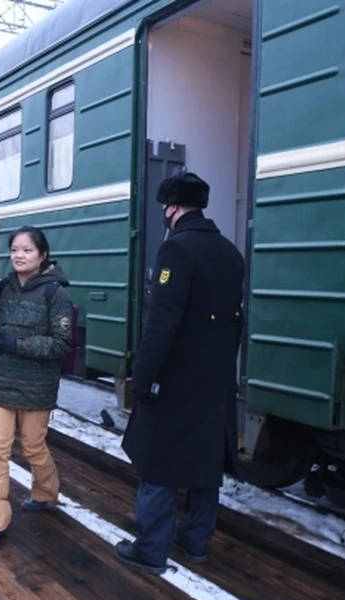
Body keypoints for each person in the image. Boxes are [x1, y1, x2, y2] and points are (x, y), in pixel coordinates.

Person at [115, 171, 245, 574]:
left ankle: (151, 550)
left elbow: (162, 323)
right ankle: (195, 541)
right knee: (206, 464)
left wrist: (143, 374)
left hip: (174, 380)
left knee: (159, 465)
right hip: (216, 379)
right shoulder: (230, 252)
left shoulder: (176, 250)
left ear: (170, 208)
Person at [0, 225, 73, 548]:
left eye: (27, 250)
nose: (19, 255)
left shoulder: (55, 294)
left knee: (32, 446)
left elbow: (62, 343)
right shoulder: (2, 288)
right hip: (1, 383)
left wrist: (17, 345)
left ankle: (45, 490)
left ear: (42, 256)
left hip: (36, 388)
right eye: (14, 249)